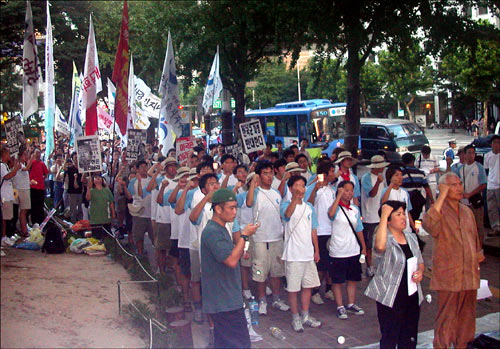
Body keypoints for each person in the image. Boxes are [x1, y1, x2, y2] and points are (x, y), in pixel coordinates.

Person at [422, 172, 484, 348]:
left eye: (459, 184)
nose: (458, 188)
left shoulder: (467, 211)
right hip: (449, 276)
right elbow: (429, 225)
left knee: (467, 319)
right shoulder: (438, 211)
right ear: (443, 189)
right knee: (446, 319)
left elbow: (475, 239)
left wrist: (478, 256)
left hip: (469, 275)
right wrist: (441, 195)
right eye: (453, 185)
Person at [200, 188, 259, 348]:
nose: (235, 212)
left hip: (227, 298)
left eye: (235, 208)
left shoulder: (221, 229)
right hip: (223, 301)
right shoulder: (212, 232)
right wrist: (245, 235)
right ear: (218, 209)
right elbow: (231, 260)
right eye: (231, 208)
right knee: (239, 344)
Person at [365, 200, 424, 349]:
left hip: (411, 294)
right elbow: (379, 247)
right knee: (390, 336)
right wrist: (384, 215)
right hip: (390, 296)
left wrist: (420, 272)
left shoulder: (410, 238)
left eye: (403, 213)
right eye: (398, 214)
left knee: (409, 336)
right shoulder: (384, 238)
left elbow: (420, 262)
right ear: (388, 220)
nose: (403, 217)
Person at [246, 161, 290, 315]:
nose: (269, 176)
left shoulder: (276, 193)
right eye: (265, 173)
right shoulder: (256, 192)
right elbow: (249, 202)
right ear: (259, 175)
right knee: (260, 272)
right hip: (260, 238)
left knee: (276, 271)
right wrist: (253, 183)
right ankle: (262, 300)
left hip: (276, 237)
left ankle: (276, 299)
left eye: (271, 173)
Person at [280, 175, 322, 332]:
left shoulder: (309, 207)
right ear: (290, 189)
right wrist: (294, 200)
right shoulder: (285, 204)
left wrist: (316, 250)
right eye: (297, 185)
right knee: (293, 288)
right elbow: (287, 215)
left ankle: (305, 315)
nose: (300, 188)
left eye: (303, 186)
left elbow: (313, 229)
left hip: (307, 253)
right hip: (293, 254)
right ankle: (295, 317)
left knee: (308, 286)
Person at [327, 180, 367, 319]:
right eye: (346, 190)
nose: (349, 193)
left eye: (351, 191)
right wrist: (338, 197)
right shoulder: (336, 208)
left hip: (353, 249)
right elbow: (330, 214)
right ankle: (340, 306)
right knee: (337, 280)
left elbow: (359, 228)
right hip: (338, 250)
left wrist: (363, 247)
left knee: (352, 279)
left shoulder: (355, 209)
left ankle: (351, 303)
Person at [306, 161, 337, 304]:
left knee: (331, 265)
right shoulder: (313, 186)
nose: (334, 174)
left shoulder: (332, 189)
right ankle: (314, 291)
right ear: (324, 173)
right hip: (319, 232)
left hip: (332, 230)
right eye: (331, 171)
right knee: (320, 266)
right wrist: (315, 189)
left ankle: (329, 290)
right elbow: (308, 204)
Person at [361, 155, 389, 277]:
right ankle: (369, 266)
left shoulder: (382, 178)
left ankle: (381, 265)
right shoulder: (366, 178)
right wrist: (378, 182)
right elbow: (372, 194)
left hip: (380, 214)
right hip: (369, 215)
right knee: (369, 242)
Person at [457, 145, 487, 246]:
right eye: (468, 153)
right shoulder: (460, 168)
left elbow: (483, 184)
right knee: (465, 225)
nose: (471, 155)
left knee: (478, 225)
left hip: (475, 202)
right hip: (463, 202)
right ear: (464, 154)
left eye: (473, 153)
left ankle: (479, 247)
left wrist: (470, 194)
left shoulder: (479, 167)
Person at [127, 160, 154, 255]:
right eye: (142, 167)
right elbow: (130, 196)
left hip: (152, 213)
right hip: (139, 213)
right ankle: (140, 252)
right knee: (138, 236)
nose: (144, 169)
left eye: (145, 167)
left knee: (154, 236)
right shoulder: (133, 181)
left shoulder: (151, 179)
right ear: (137, 169)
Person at [401, 153, 434, 221]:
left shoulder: (401, 173)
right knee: (416, 218)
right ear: (413, 161)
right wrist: (432, 199)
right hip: (417, 201)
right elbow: (426, 187)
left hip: (405, 200)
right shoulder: (421, 173)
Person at [381, 166, 414, 233]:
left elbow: (407, 211)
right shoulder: (386, 191)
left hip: (406, 229)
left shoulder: (404, 192)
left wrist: (413, 226)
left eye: (401, 175)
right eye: (396, 175)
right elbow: (383, 202)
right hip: (392, 229)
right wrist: (391, 185)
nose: (400, 177)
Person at [86, 173, 115, 239]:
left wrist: (113, 213)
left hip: (105, 217)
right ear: (93, 181)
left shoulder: (107, 190)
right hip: (95, 218)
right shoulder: (91, 191)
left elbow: (111, 202)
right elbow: (88, 198)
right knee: (96, 237)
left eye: (99, 177)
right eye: (95, 177)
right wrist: (88, 188)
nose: (98, 178)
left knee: (106, 236)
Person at [1, 148, 21, 245]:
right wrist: (16, 169)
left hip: (8, 195)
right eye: (8, 154)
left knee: (8, 217)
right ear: (4, 154)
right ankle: (4, 237)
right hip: (4, 195)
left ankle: (6, 236)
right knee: (5, 218)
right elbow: (6, 177)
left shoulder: (5, 166)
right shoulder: (2, 166)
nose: (10, 156)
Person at [13, 149, 33, 237]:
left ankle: (23, 228)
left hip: (23, 188)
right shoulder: (18, 164)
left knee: (24, 210)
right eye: (24, 155)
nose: (26, 157)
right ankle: (24, 230)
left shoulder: (21, 164)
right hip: (21, 189)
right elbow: (26, 169)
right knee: (23, 210)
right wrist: (31, 160)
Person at [484, 135, 500, 236]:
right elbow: (487, 169)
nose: (496, 145)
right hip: (490, 186)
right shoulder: (487, 156)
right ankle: (496, 228)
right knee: (492, 208)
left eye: (498, 142)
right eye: (494, 142)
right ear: (491, 144)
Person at [29, 149, 48, 224]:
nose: (38, 155)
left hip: (40, 187)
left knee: (40, 206)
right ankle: (34, 221)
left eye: (39, 153)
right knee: (33, 206)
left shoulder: (42, 164)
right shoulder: (32, 163)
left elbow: (46, 173)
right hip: (33, 187)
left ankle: (40, 222)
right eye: (36, 153)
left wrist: (42, 178)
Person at [64, 153, 83, 223]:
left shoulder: (82, 168)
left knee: (81, 209)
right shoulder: (70, 168)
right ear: (72, 159)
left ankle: (81, 223)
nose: (76, 159)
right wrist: (66, 158)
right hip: (72, 191)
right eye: (75, 158)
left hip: (80, 191)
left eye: (77, 157)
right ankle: (73, 223)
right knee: (73, 209)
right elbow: (64, 168)